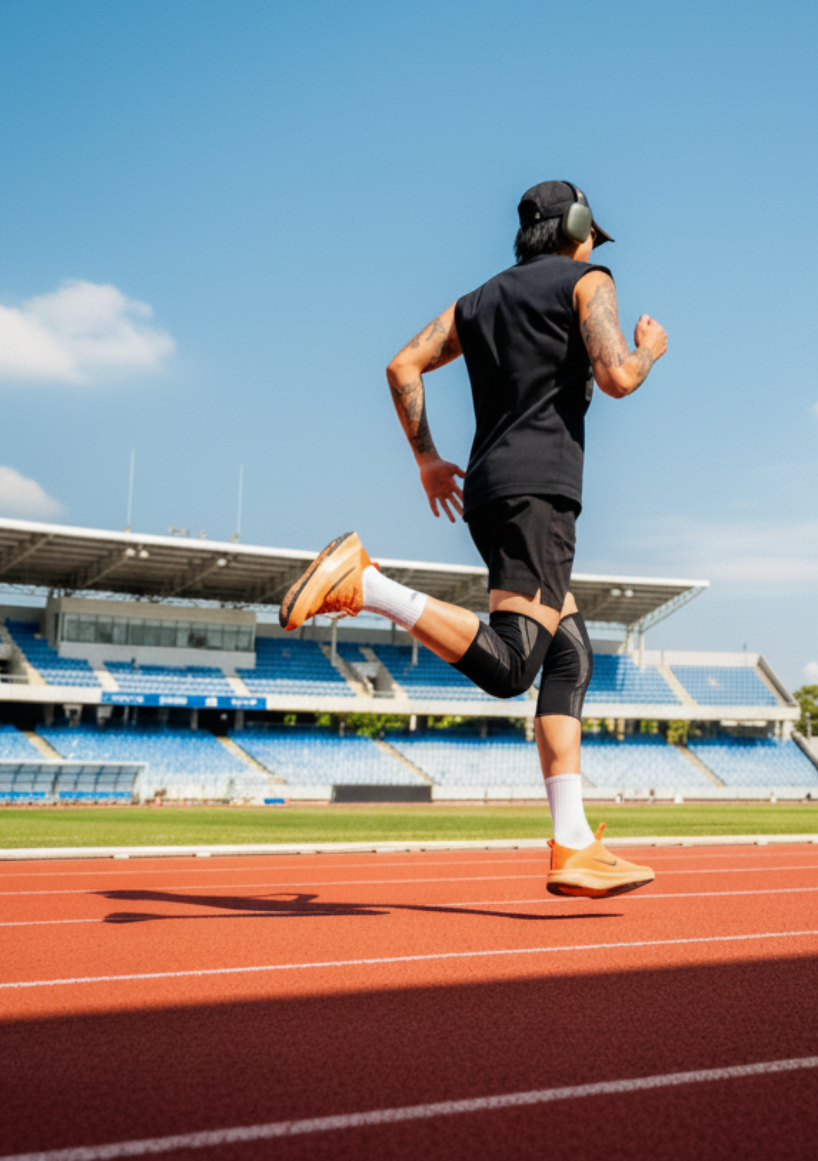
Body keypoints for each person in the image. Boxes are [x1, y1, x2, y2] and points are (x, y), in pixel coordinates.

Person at [281, 180, 668, 898]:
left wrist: (428, 458)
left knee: (568, 650)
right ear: (579, 226)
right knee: (516, 665)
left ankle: (574, 843)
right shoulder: (590, 281)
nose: (595, 246)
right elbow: (616, 376)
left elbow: (402, 364)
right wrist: (651, 350)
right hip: (542, 490)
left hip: (493, 488)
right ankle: (366, 584)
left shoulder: (477, 301)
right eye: (592, 234)